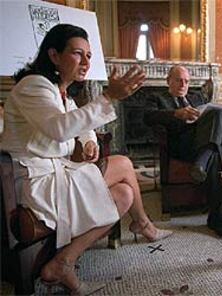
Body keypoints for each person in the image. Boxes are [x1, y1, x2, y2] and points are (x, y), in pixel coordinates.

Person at [1, 24, 172, 295]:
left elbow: (79, 123)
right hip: (34, 183)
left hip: (56, 176)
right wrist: (108, 97)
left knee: (124, 194)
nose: (86, 62)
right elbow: (59, 128)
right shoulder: (33, 86)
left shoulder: (61, 91)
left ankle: (63, 262)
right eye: (78, 54)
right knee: (124, 164)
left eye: (89, 56)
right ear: (54, 55)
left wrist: (89, 141)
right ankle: (143, 225)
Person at [144, 65, 222, 241]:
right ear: (168, 81)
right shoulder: (157, 98)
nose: (183, 84)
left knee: (218, 114)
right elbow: (149, 117)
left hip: (202, 143)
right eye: (178, 80)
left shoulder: (197, 98)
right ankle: (216, 218)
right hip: (181, 146)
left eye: (186, 81)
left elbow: (214, 117)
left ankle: (204, 162)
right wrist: (176, 114)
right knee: (215, 150)